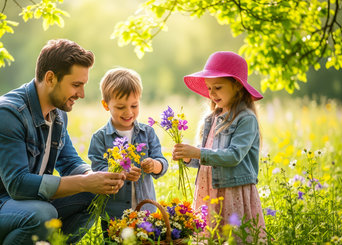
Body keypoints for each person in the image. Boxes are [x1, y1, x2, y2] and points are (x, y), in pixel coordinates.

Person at [0, 39, 126, 245]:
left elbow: (70, 163)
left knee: (94, 197)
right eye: (76, 85)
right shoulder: (7, 114)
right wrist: (84, 182)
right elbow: (18, 184)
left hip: (21, 207)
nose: (82, 94)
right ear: (50, 78)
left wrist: (98, 178)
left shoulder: (58, 114)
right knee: (42, 213)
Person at [172, 51, 266, 242]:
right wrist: (189, 156)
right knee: (210, 237)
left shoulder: (245, 119)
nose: (212, 93)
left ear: (237, 86)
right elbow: (207, 157)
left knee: (232, 236)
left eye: (218, 87)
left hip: (232, 190)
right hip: (208, 189)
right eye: (209, 88)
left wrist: (198, 152)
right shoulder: (211, 118)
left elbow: (233, 156)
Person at [88, 67, 168, 238]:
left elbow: (162, 162)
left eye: (134, 105)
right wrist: (120, 171)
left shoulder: (147, 133)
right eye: (120, 107)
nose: (128, 112)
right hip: (113, 213)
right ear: (105, 105)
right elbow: (97, 169)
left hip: (145, 211)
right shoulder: (100, 137)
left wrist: (154, 165)